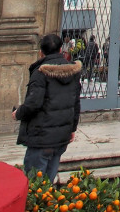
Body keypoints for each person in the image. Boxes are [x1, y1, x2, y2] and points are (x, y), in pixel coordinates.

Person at [12, 33, 82, 182]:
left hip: (42, 137)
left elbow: (33, 104)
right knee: (48, 183)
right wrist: (72, 129)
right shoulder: (73, 71)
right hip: (61, 136)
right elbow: (76, 103)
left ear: (41, 52)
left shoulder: (41, 73)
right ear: (61, 49)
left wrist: (18, 113)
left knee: (34, 184)